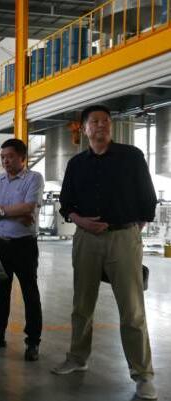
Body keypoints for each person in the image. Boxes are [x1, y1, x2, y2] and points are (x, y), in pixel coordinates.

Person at [51, 105, 158, 400]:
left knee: (132, 310)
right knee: (81, 305)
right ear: (84, 129)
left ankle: (143, 375)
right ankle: (77, 357)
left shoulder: (131, 156)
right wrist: (81, 221)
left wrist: (131, 229)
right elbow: (67, 204)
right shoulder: (77, 164)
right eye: (95, 121)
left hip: (123, 237)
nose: (101, 125)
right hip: (86, 239)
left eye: (106, 121)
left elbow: (147, 198)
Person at [0, 138, 44, 361]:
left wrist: (2, 211)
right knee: (0, 293)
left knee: (30, 294)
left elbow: (29, 207)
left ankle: (33, 342)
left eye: (10, 157)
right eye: (3, 157)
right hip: (1, 244)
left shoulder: (34, 178)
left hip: (24, 245)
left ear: (22, 158)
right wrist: (15, 213)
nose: (5, 161)